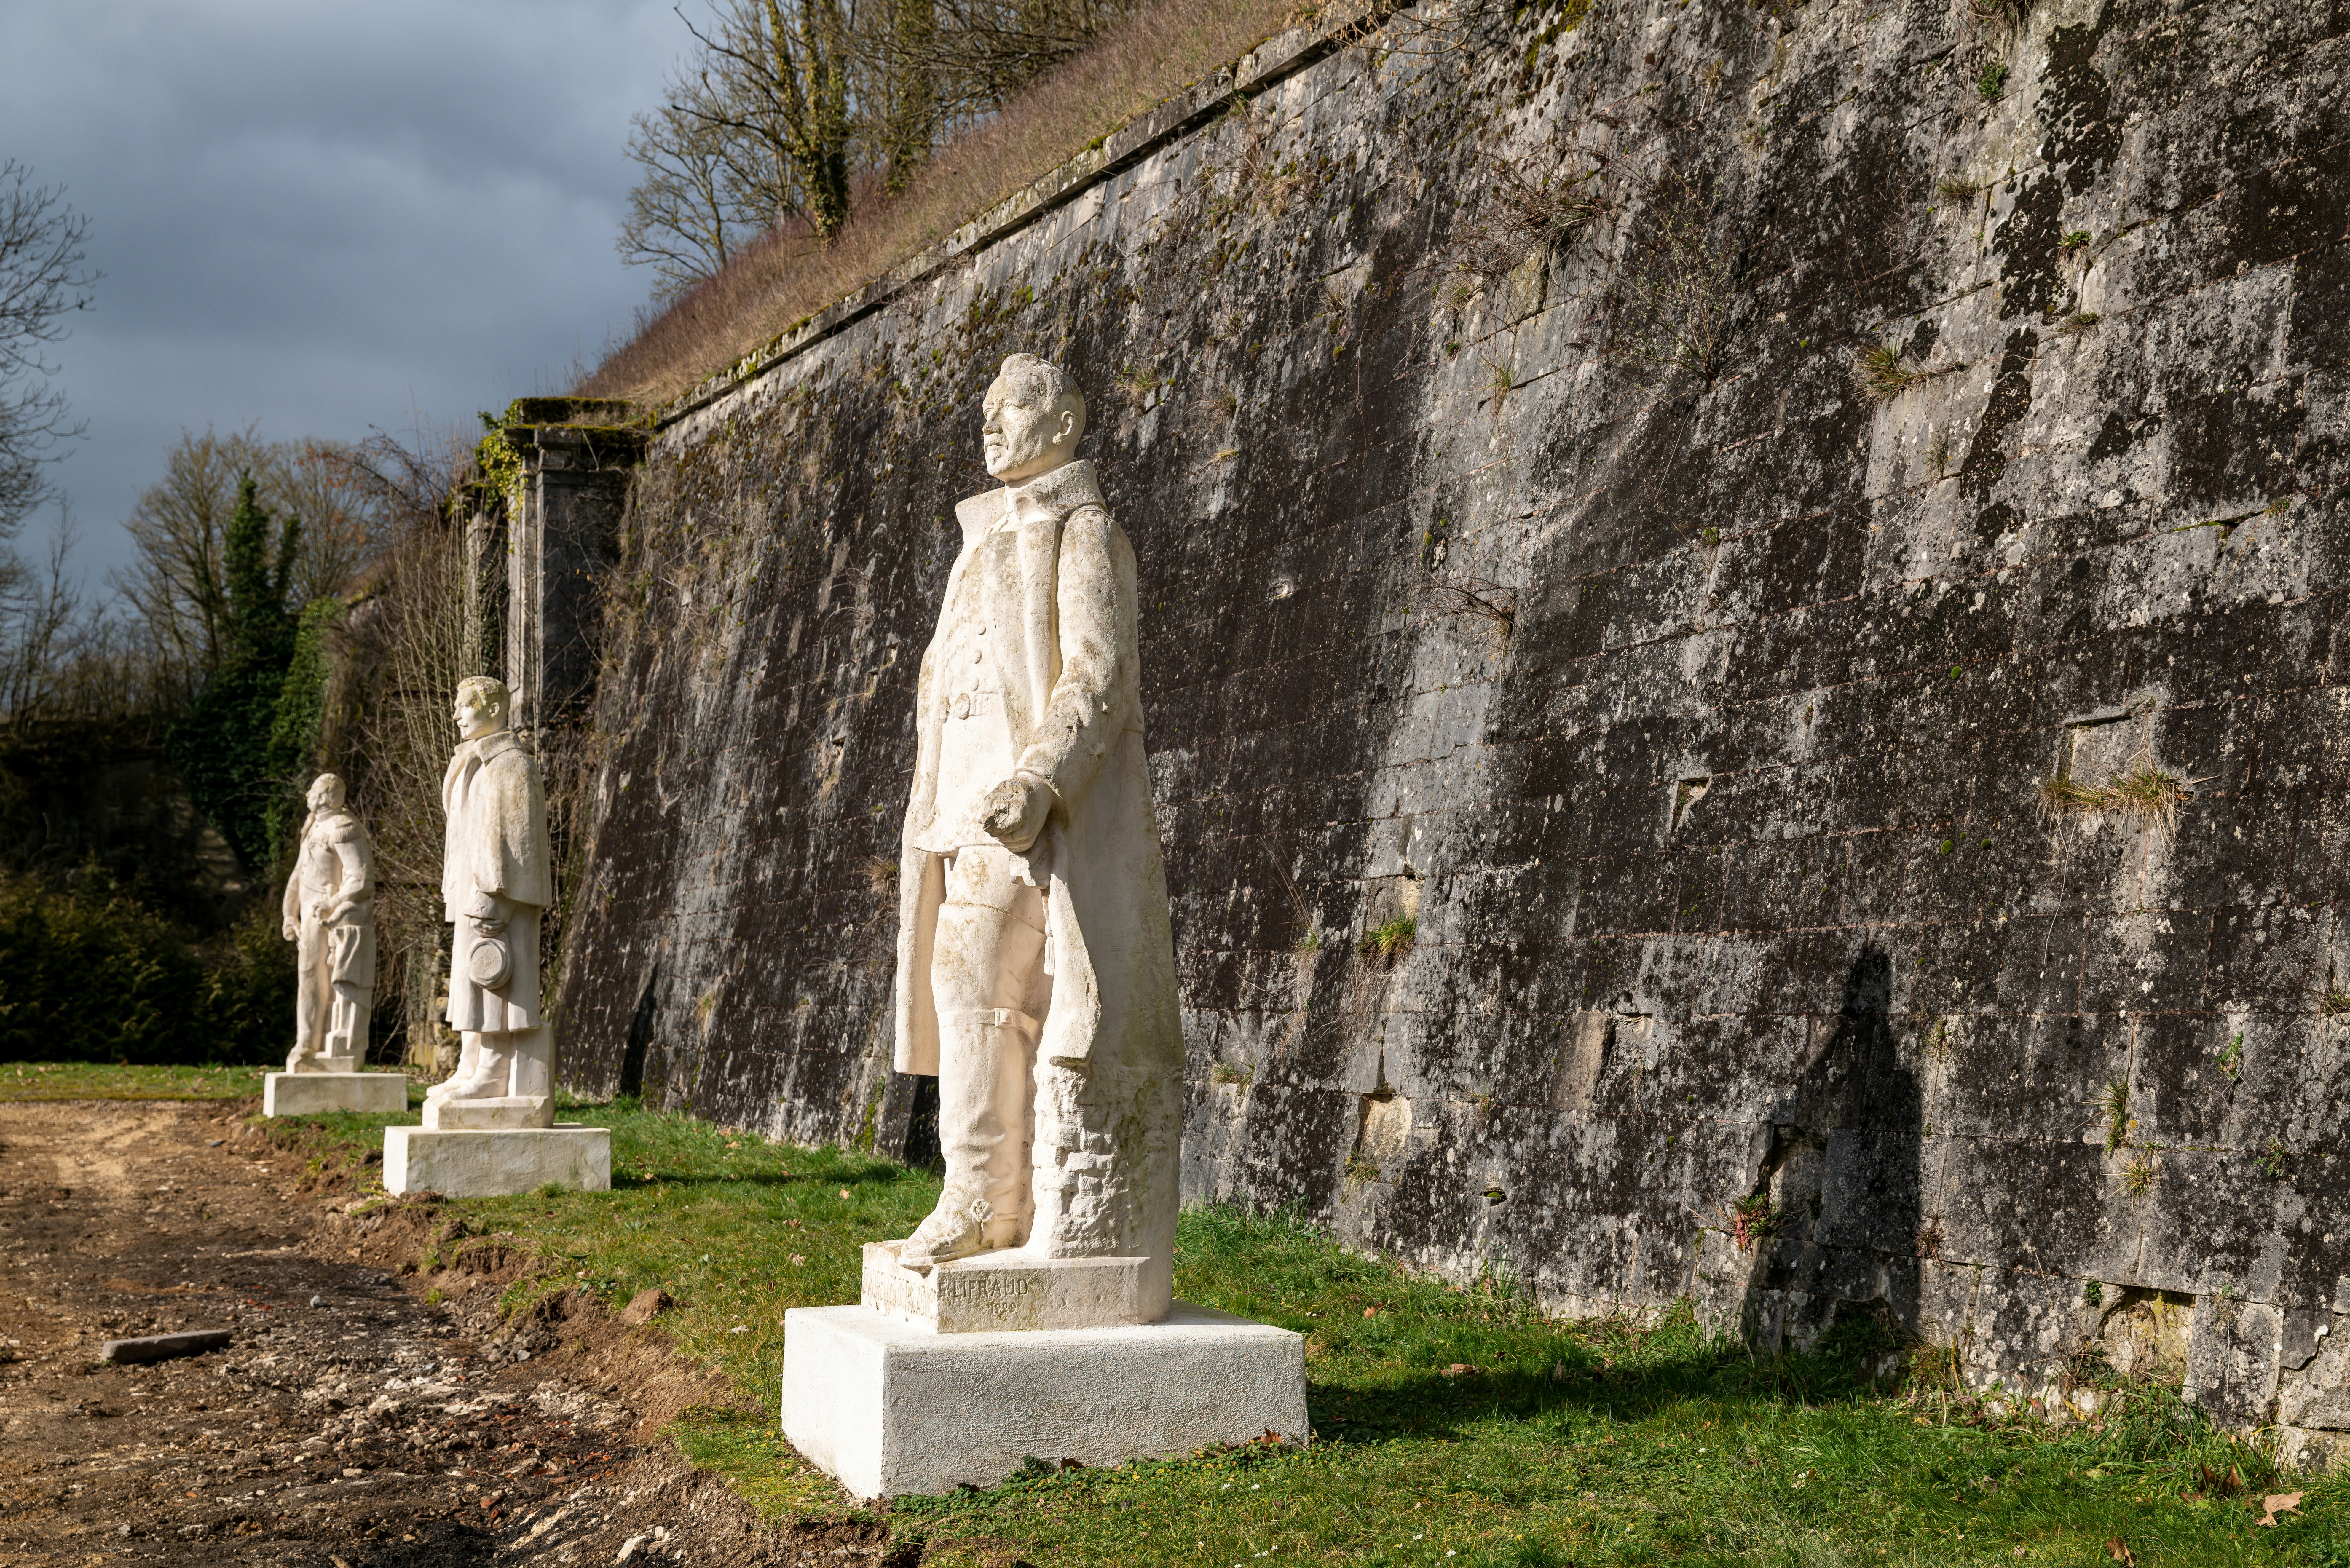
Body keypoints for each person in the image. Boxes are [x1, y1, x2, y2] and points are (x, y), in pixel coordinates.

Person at [889, 354, 1183, 1308]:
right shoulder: (978, 543)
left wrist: (1040, 777)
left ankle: (985, 1196)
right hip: (962, 813)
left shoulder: (1080, 531)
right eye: (983, 407)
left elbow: (1095, 676)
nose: (988, 423)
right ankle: (981, 1191)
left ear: (1062, 423)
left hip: (1033, 816)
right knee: (962, 980)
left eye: (1008, 408)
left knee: (981, 978)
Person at [423, 675, 555, 1123]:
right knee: (470, 982)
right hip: (470, 888)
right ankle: (471, 1064)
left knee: (497, 980)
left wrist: (496, 893)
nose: (456, 715)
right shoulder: (472, 763)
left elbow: (518, 839)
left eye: (464, 705)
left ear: (494, 708)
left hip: (498, 895)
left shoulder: (512, 764)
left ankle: (495, 1071)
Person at [280, 773, 374, 1072]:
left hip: (329, 917)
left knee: (324, 981)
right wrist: (288, 914)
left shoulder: (343, 828)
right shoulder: (313, 826)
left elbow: (360, 877)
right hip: (309, 915)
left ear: (324, 796)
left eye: (312, 789)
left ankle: (315, 1045)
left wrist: (332, 905)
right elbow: (299, 874)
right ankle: (306, 1042)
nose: (307, 793)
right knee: (308, 978)